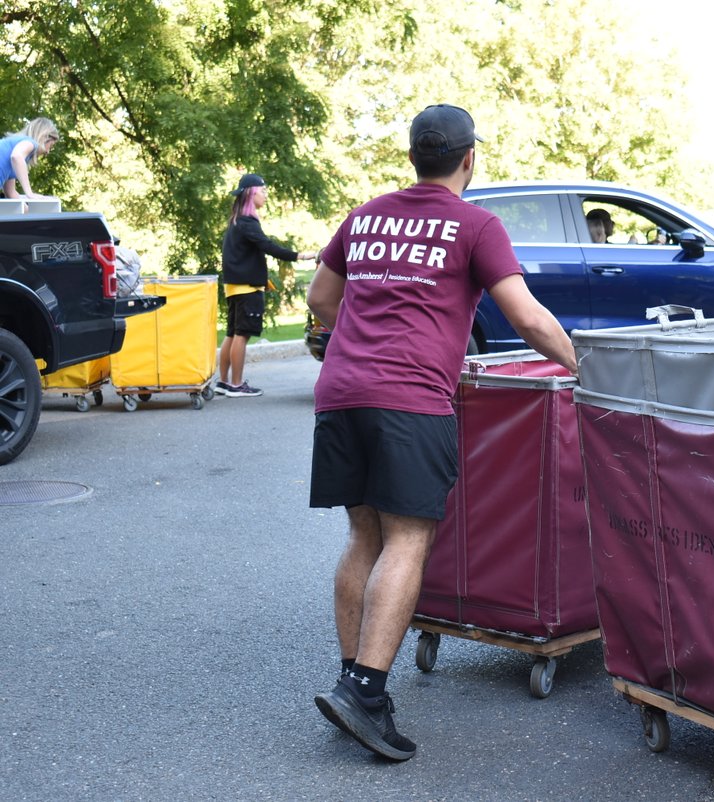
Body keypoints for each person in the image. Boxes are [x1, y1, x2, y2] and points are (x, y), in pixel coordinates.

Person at [306, 103, 577, 761]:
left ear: (412, 158)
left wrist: (355, 342)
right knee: (408, 536)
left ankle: (352, 681)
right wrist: (584, 367)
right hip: (409, 401)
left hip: (340, 394)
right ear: (469, 159)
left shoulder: (366, 215)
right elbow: (529, 319)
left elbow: (319, 299)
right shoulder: (476, 225)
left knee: (363, 532)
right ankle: (367, 691)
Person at [216, 173, 316, 398]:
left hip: (234, 288)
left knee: (232, 334)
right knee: (242, 335)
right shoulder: (247, 222)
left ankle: (223, 382)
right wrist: (300, 256)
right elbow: (267, 246)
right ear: (252, 193)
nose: (266, 196)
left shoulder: (236, 221)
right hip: (247, 288)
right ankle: (236, 384)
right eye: (264, 191)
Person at [0, 117, 59, 199]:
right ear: (44, 137)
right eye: (50, 146)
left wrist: (34, 211)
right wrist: (29, 193)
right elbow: (16, 157)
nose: (48, 151)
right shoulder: (30, 142)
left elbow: (11, 194)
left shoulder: (10, 153)